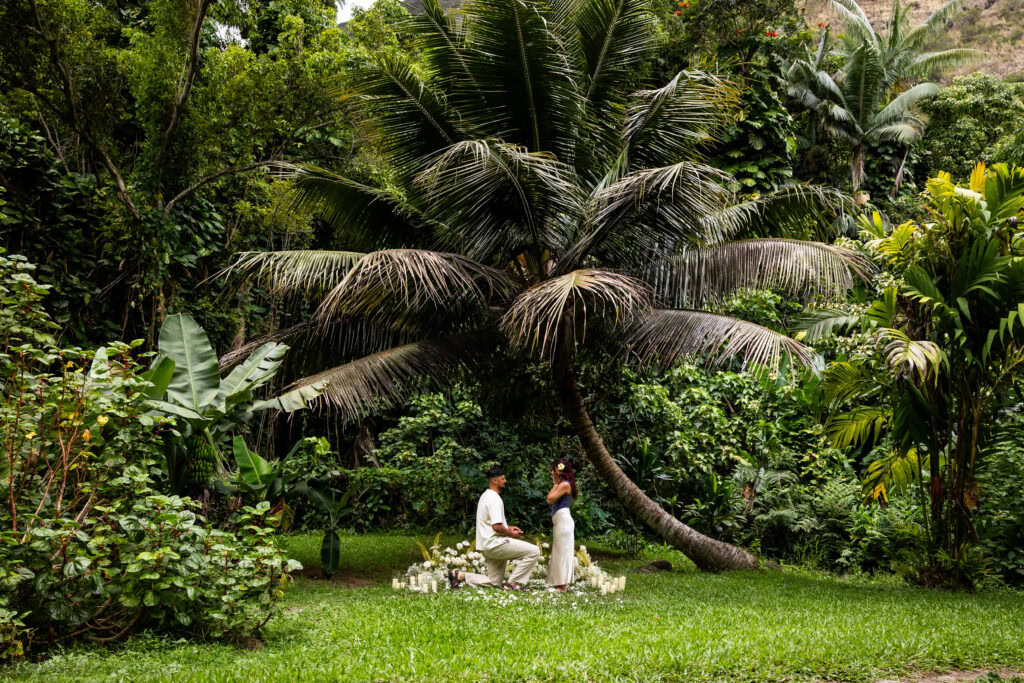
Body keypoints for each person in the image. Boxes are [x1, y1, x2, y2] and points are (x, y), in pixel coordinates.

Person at [448, 466, 539, 591]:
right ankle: (513, 583)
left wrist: (509, 527)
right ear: (495, 481)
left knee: (494, 582)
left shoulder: (485, 496)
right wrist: (511, 534)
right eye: (503, 479)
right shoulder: (494, 498)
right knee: (534, 551)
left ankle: (459, 575)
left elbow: (492, 523)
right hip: (495, 544)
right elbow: (497, 527)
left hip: (487, 546)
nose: (505, 481)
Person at [545, 458, 576, 592]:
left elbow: (550, 499)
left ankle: (562, 585)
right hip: (559, 521)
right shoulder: (561, 484)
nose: (552, 472)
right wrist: (555, 483)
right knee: (559, 551)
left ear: (559, 471)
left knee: (562, 552)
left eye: (553, 470)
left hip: (563, 521)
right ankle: (560, 583)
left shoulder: (564, 485)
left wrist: (555, 484)